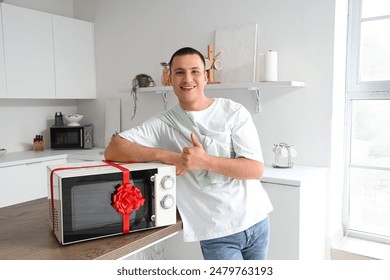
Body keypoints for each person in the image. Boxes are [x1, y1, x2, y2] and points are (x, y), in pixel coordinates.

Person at [104, 47, 273, 260]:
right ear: (170, 79)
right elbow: (113, 149)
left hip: (257, 220)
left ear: (205, 77)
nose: (188, 79)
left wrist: (205, 161)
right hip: (217, 233)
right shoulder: (163, 123)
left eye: (195, 71)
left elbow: (255, 169)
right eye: (180, 72)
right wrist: (170, 157)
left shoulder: (233, 112)